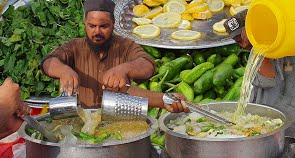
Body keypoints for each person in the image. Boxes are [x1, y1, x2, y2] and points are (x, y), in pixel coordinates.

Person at [41, 0, 189, 113]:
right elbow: (49, 62)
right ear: (85, 24)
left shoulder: (125, 46)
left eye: (104, 26)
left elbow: (148, 65)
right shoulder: (74, 47)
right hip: (84, 119)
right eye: (92, 26)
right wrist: (64, 71)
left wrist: (125, 69)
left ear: (113, 24)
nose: (97, 32)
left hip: (119, 121)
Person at [224, 10, 295, 141]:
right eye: (237, 41)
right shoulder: (281, 46)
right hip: (293, 120)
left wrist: (257, 44)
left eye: (242, 39)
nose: (242, 44)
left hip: (285, 125)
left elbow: (267, 80)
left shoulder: (267, 52)